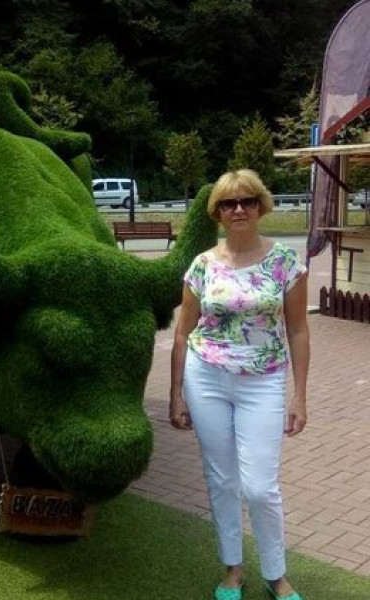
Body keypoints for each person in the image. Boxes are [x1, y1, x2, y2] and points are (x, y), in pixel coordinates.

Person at [169, 169, 309, 600]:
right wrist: (175, 394)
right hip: (206, 378)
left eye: (247, 201)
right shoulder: (202, 265)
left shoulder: (285, 262)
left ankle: (275, 573)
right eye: (229, 203)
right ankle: (233, 568)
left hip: (263, 382)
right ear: (218, 212)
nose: (239, 209)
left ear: (261, 206)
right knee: (222, 479)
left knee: (260, 487)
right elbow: (182, 332)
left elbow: (299, 329)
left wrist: (300, 396)